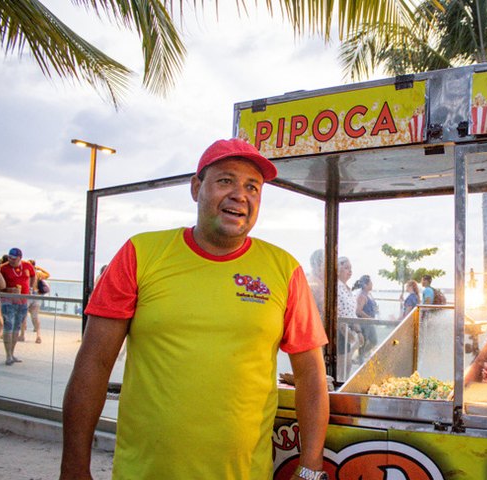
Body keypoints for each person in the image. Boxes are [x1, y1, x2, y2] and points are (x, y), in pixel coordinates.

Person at [61, 138, 329, 480]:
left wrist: (311, 467)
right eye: (225, 181)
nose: (240, 195)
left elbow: (310, 377)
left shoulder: (284, 269)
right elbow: (93, 365)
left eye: (253, 187)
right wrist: (73, 467)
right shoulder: (140, 253)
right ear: (196, 187)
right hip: (143, 472)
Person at [0, 248, 36, 365]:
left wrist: (30, 288)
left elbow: (33, 275)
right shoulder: (3, 267)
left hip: (22, 300)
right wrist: (8, 289)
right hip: (8, 300)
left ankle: (12, 352)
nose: (11, 260)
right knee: (8, 325)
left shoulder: (27, 266)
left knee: (17, 326)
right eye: (9, 258)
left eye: (14, 259)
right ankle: (8, 355)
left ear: (20, 258)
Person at [22, 259, 49, 344]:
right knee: (35, 316)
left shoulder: (26, 273)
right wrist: (39, 268)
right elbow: (48, 275)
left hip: (28, 294)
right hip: (37, 295)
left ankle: (22, 334)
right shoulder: (38, 274)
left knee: (24, 315)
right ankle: (38, 335)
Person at [353, 274, 379, 357]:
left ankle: (361, 356)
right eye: (370, 283)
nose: (372, 284)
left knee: (373, 341)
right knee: (364, 343)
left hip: (369, 323)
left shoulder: (369, 294)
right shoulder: (362, 296)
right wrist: (369, 318)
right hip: (364, 323)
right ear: (365, 285)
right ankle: (360, 359)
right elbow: (358, 311)